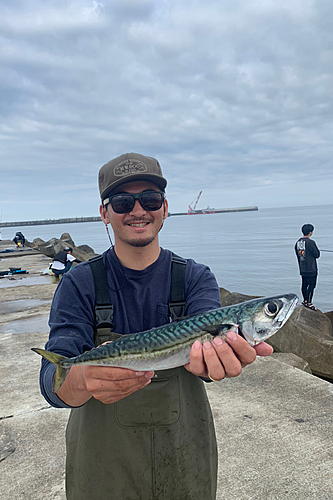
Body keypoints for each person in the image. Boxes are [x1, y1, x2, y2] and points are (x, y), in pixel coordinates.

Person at [38, 152, 273, 500]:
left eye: (149, 198)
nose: (138, 210)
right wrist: (82, 379)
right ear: (104, 212)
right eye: (122, 201)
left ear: (164, 207)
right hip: (102, 472)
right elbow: (51, 381)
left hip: (184, 461)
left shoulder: (194, 278)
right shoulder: (79, 284)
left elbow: (208, 361)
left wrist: (217, 361)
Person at [295, 223, 320, 311]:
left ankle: (305, 300)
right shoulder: (311, 242)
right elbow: (317, 255)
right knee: (311, 285)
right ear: (310, 232)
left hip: (302, 268)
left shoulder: (298, 242)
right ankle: (309, 303)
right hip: (311, 268)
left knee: (304, 284)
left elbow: (298, 255)